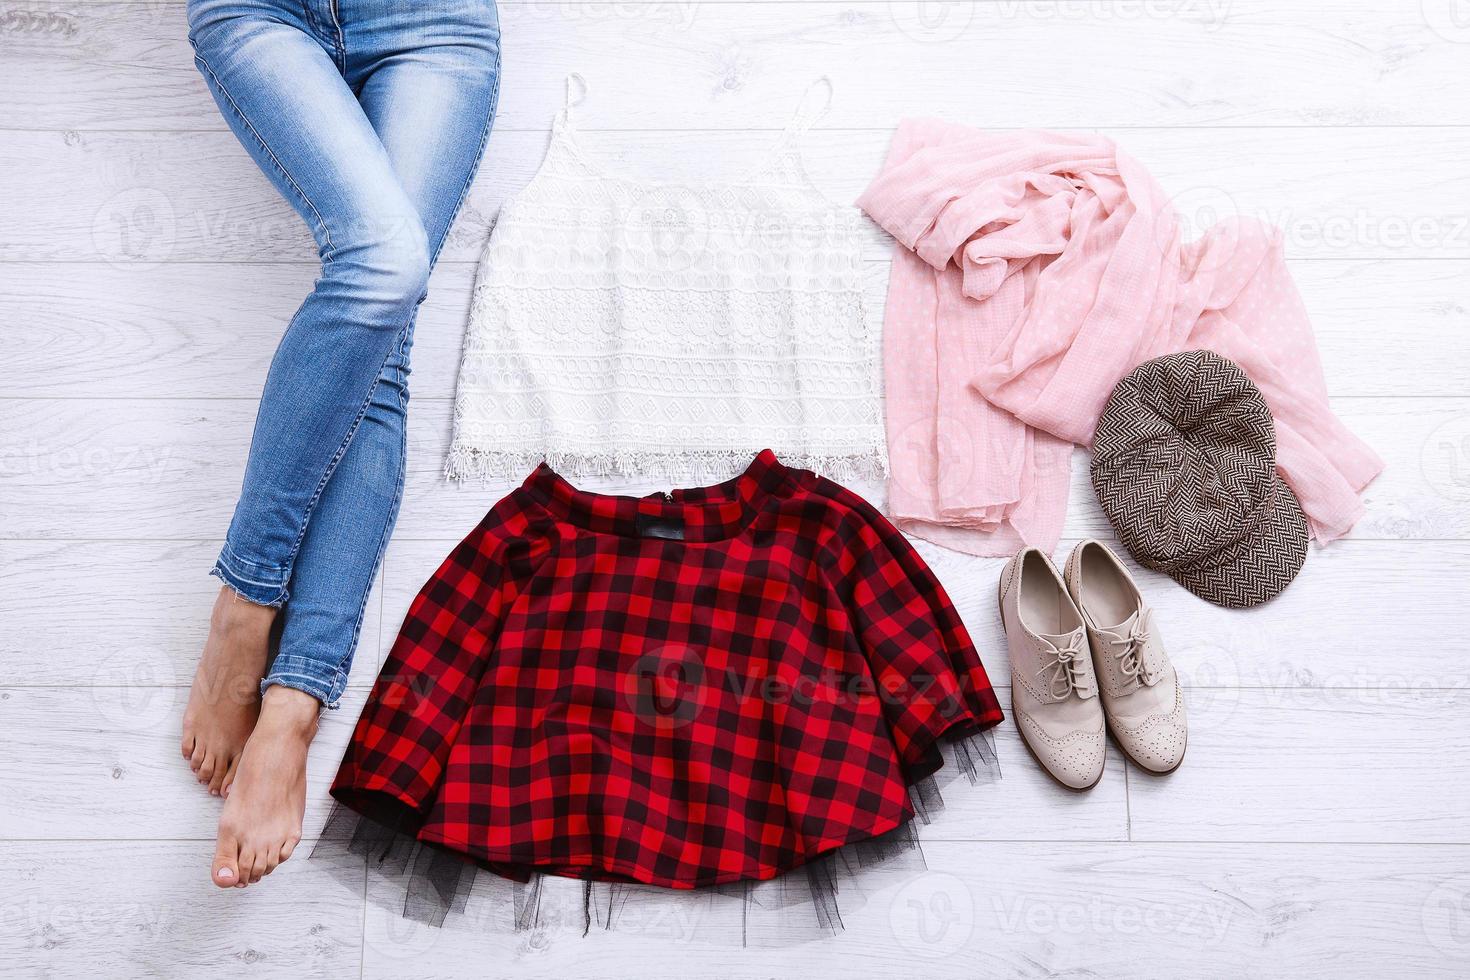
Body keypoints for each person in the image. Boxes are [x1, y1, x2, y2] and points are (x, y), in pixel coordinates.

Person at [177, 0, 502, 889]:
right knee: (385, 263)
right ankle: (246, 607)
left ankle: (293, 703)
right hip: (262, 11)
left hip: (435, 22)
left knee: (385, 350)